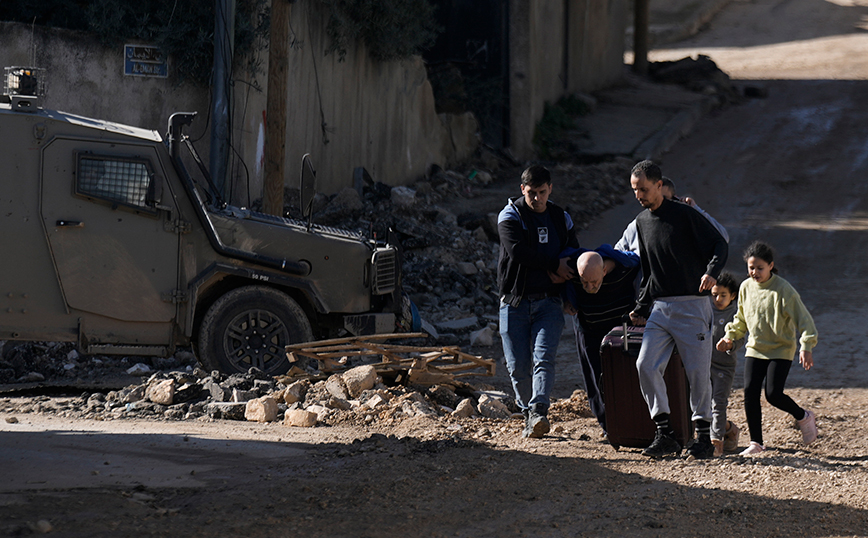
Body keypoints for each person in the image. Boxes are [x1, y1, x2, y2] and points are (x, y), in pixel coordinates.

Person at [627, 160, 728, 459]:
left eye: (643, 189)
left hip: (692, 305)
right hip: (659, 308)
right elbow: (649, 271)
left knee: (697, 373)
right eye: (635, 190)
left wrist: (712, 272)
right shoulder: (641, 223)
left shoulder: (685, 215)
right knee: (645, 365)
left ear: (659, 185)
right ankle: (665, 433)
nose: (639, 195)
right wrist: (641, 306)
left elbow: (719, 244)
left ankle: (702, 437)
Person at [497, 165, 579, 438]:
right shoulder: (510, 215)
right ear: (523, 189)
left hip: (549, 303)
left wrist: (570, 294)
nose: (537, 198)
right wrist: (553, 266)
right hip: (515, 302)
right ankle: (527, 413)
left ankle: (540, 410)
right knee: (517, 366)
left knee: (544, 358)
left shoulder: (560, 218)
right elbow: (519, 252)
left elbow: (574, 254)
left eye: (542, 192)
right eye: (531, 193)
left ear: (550, 189)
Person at [717, 241, 819, 455]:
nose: (755, 272)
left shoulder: (783, 290)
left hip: (781, 349)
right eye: (751, 268)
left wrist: (806, 346)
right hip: (756, 348)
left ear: (771, 266)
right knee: (750, 393)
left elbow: (805, 320)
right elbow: (740, 319)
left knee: (773, 394)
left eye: (760, 268)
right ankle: (756, 443)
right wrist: (729, 337)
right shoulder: (745, 287)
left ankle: (803, 416)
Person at [561, 246, 640, 434]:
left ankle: (634, 422)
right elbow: (559, 277)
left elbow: (645, 274)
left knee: (626, 376)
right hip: (589, 329)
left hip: (620, 332)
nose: (589, 288)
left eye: (594, 282)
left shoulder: (625, 267)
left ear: (604, 271)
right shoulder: (572, 269)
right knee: (596, 379)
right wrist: (567, 298)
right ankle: (609, 427)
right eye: (584, 282)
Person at [615, 176, 729, 254]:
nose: (659, 203)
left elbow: (722, 238)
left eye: (664, 199)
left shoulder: (687, 221)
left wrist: (696, 210)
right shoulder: (637, 225)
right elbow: (617, 253)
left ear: (675, 199)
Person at [708, 271, 743, 456]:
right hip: (704, 364)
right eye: (715, 295)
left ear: (733, 296)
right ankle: (730, 429)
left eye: (723, 295)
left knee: (718, 403)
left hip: (724, 366)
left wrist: (731, 344)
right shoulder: (705, 309)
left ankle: (717, 443)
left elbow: (741, 338)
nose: (718, 299)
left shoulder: (736, 314)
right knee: (703, 404)